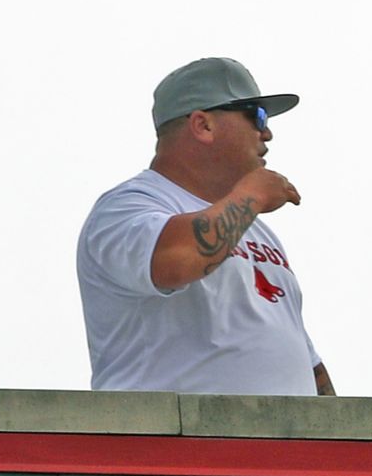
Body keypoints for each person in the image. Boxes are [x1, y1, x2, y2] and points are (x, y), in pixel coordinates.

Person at [77, 57, 334, 396]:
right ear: (203, 125)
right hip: (171, 445)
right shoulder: (126, 207)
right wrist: (252, 194)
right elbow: (177, 260)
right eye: (256, 115)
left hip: (281, 445)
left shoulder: (254, 230)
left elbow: (301, 354)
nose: (267, 133)